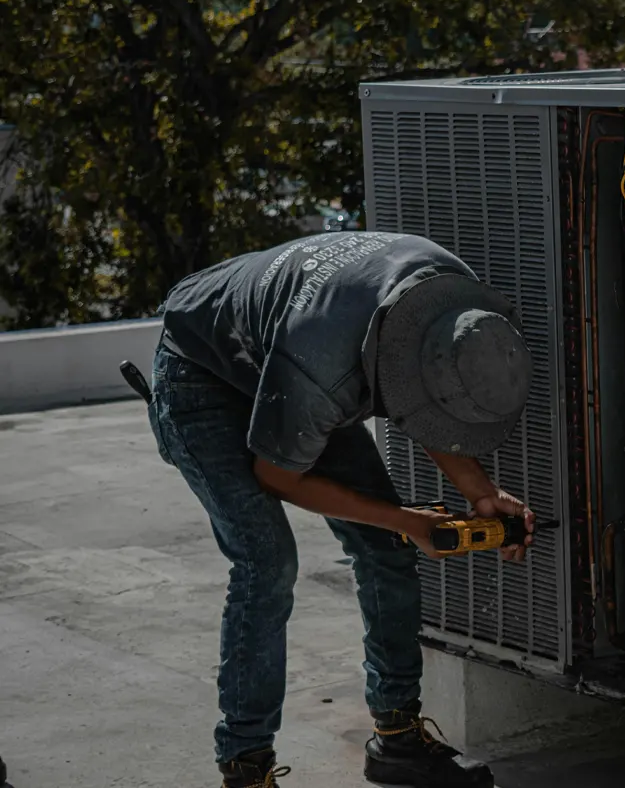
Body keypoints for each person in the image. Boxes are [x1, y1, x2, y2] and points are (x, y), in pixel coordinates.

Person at [146, 230, 535, 788]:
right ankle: (245, 765)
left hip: (287, 353)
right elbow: (279, 477)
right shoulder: (323, 366)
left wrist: (481, 495)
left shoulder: (452, 300)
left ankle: (397, 739)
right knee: (267, 562)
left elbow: (429, 396)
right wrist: (406, 521)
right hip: (200, 374)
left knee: (385, 549)